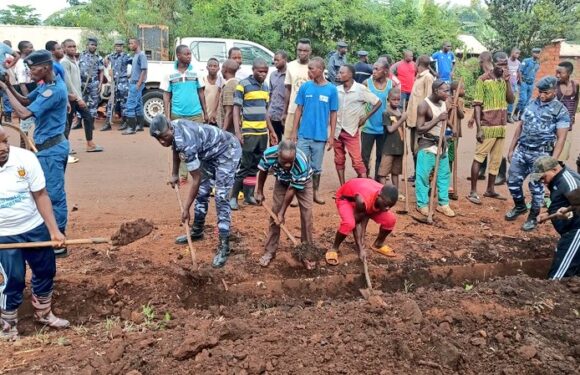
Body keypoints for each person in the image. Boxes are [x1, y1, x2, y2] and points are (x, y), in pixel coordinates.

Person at [0, 126, 69, 340]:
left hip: (33, 226)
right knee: (13, 279)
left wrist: (54, 231)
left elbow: (40, 195)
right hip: (4, 234)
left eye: (5, 141)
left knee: (46, 270)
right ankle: (8, 325)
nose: (3, 148)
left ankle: (43, 313)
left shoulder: (26, 158)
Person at [0, 50, 71, 257]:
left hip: (52, 149)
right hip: (46, 148)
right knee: (45, 190)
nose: (30, 72)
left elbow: (24, 113)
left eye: (33, 68)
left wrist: (4, 89)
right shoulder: (45, 86)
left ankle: (60, 240)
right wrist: (10, 86)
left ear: (46, 68)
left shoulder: (55, 90)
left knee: (53, 194)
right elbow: (24, 101)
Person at [150, 115, 242, 268]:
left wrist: (186, 209)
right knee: (202, 192)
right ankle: (197, 230)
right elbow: (175, 148)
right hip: (209, 153)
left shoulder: (186, 142)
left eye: (164, 137)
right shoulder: (173, 129)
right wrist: (174, 174)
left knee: (220, 197)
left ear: (170, 129)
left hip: (227, 151)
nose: (162, 141)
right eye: (158, 139)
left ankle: (224, 246)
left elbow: (196, 179)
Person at [505, 76, 570, 231]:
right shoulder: (531, 103)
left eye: (546, 93)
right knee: (512, 181)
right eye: (540, 92)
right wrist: (511, 148)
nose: (542, 95)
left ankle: (533, 216)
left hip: (541, 155)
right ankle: (520, 206)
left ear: (554, 91)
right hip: (522, 150)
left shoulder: (560, 110)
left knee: (536, 188)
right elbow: (520, 126)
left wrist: (552, 161)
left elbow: (561, 138)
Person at [254, 140, 314, 269]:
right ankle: (270, 250)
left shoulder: (300, 163)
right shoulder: (269, 154)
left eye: (290, 161)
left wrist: (283, 213)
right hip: (281, 180)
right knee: (275, 214)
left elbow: (292, 189)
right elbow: (263, 171)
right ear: (278, 154)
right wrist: (259, 191)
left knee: (307, 214)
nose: (287, 165)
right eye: (284, 161)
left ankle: (307, 252)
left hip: (303, 182)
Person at [230, 58, 278, 210]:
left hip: (262, 133)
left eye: (265, 72)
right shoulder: (243, 84)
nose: (263, 74)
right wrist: (238, 131)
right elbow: (236, 108)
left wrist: (271, 131)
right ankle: (233, 197)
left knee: (255, 166)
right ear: (253, 70)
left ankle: (249, 195)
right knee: (244, 165)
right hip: (249, 131)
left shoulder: (265, 87)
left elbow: (265, 112)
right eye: (260, 71)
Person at [467, 52, 514, 205]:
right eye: (500, 64)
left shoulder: (503, 80)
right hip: (487, 125)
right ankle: (473, 192)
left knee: (495, 160)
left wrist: (507, 82)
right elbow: (477, 105)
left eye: (505, 64)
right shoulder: (482, 80)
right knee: (479, 157)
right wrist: (479, 128)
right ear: (494, 63)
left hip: (501, 126)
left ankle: (490, 189)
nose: (503, 67)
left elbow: (511, 99)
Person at [291, 57, 338, 205]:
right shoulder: (305, 87)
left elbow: (333, 113)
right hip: (304, 134)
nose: (309, 71)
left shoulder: (331, 89)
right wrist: (294, 132)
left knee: (316, 168)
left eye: (312, 68)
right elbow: (298, 109)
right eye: (309, 68)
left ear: (320, 70)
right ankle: (297, 194)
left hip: (320, 136)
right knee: (299, 164)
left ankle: (315, 192)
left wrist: (331, 136)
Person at [162, 44, 208, 186]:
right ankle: (183, 175)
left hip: (195, 114)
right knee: (180, 145)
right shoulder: (169, 74)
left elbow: (201, 93)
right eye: (186, 54)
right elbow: (166, 95)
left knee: (200, 143)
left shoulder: (196, 73)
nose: (189, 56)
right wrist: (166, 116)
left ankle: (200, 173)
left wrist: (205, 113)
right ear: (178, 56)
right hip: (178, 115)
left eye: (190, 54)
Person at [326, 179, 398, 266]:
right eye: (386, 204)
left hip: (367, 202)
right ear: (379, 196)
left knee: (390, 220)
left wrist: (362, 239)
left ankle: (378, 244)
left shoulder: (384, 196)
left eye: (390, 206)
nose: (387, 208)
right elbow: (358, 222)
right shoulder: (362, 201)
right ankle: (334, 248)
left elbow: (366, 214)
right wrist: (360, 249)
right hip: (346, 200)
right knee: (349, 223)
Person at [533, 156, 580, 279]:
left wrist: (570, 214)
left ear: (554, 170)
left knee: (557, 277)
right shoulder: (557, 180)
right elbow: (566, 202)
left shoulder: (569, 182)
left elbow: (577, 205)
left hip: (576, 233)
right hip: (570, 231)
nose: (542, 181)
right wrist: (549, 213)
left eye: (543, 177)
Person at [334, 64, 381, 185]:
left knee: (357, 161)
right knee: (339, 159)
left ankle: (364, 187)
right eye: (339, 72)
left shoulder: (360, 89)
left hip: (351, 130)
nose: (339, 75)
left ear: (350, 74)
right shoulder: (337, 90)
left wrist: (365, 117)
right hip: (337, 130)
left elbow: (377, 102)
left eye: (342, 73)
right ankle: (342, 186)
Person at [415, 80, 455, 217]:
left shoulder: (443, 102)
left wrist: (451, 127)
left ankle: (443, 204)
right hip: (427, 145)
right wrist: (437, 119)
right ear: (436, 90)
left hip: (442, 144)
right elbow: (419, 129)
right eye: (445, 91)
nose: (447, 94)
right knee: (423, 177)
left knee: (444, 175)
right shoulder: (424, 105)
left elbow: (444, 117)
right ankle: (422, 205)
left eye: (448, 90)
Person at [61, 39, 103, 153]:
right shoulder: (65, 62)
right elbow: (68, 82)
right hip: (71, 98)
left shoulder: (74, 60)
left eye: (74, 46)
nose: (73, 48)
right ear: (64, 48)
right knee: (68, 123)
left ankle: (90, 144)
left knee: (88, 117)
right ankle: (66, 146)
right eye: (69, 47)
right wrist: (79, 99)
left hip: (77, 96)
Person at [362, 59, 394, 180]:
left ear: (385, 71)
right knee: (364, 156)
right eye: (373, 68)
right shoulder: (366, 83)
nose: (373, 71)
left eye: (377, 69)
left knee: (380, 156)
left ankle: (376, 181)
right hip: (368, 127)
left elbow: (393, 105)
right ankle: (364, 179)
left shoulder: (391, 85)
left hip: (384, 128)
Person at [406, 55, 435, 182]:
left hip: (420, 121)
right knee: (414, 148)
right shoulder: (419, 77)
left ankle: (422, 176)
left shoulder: (428, 78)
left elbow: (428, 100)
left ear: (418, 63)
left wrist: (425, 122)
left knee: (420, 149)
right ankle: (417, 174)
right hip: (412, 120)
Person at [378, 88, 406, 199]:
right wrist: (402, 119)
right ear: (388, 99)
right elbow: (390, 129)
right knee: (383, 172)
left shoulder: (400, 112)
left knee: (396, 172)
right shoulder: (386, 113)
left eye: (398, 99)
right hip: (388, 148)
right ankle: (383, 193)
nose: (396, 101)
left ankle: (395, 193)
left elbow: (402, 130)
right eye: (393, 99)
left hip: (399, 147)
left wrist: (403, 118)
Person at [283, 39, 312, 140]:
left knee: (306, 141)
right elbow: (288, 89)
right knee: (288, 141)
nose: (302, 53)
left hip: (309, 111)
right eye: (299, 50)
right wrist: (284, 111)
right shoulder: (290, 66)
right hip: (292, 109)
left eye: (305, 51)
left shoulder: (314, 66)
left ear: (310, 51)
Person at [103, 40, 131, 131]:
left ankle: (125, 122)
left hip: (123, 82)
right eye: (117, 46)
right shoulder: (112, 56)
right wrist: (105, 60)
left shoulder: (126, 56)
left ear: (122, 47)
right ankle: (107, 123)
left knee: (124, 103)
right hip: (114, 83)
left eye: (120, 46)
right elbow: (105, 61)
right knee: (110, 103)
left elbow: (135, 64)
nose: (118, 48)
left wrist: (130, 75)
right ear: (114, 47)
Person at [123, 38, 148, 135]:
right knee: (138, 105)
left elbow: (143, 70)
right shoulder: (136, 55)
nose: (130, 45)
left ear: (137, 44)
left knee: (130, 104)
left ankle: (131, 128)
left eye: (131, 43)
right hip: (134, 82)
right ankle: (140, 126)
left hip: (137, 83)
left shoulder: (141, 55)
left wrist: (138, 83)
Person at [555, 61, 578, 162]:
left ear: (568, 73)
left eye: (560, 73)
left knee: (564, 152)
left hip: (568, 125)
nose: (557, 75)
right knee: (553, 150)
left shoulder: (575, 85)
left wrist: (573, 114)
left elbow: (576, 99)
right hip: (555, 124)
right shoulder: (554, 85)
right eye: (556, 72)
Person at [446, 81, 465, 200]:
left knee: (452, 157)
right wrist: (450, 108)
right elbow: (444, 114)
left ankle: (448, 182)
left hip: (456, 133)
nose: (465, 91)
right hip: (447, 133)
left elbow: (462, 115)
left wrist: (457, 108)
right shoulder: (446, 100)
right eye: (463, 89)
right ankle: (444, 182)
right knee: (446, 156)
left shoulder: (461, 101)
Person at [79, 37, 104, 128]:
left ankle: (91, 124)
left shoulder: (98, 58)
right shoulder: (81, 55)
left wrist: (100, 83)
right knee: (81, 102)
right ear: (87, 45)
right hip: (82, 83)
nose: (94, 47)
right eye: (92, 45)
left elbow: (101, 71)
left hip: (94, 83)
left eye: (95, 45)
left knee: (93, 103)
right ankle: (79, 123)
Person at [13, 41, 37, 139]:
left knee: (33, 118)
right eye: (29, 47)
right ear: (23, 49)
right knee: (26, 119)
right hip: (26, 90)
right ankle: (23, 143)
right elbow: (22, 84)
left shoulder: (27, 61)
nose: (32, 49)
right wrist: (27, 99)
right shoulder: (20, 64)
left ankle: (29, 142)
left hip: (31, 87)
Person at [516, 47, 541, 120]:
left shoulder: (538, 63)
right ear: (532, 53)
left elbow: (534, 73)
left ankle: (521, 115)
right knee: (523, 99)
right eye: (535, 53)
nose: (537, 54)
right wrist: (520, 81)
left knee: (527, 101)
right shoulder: (526, 61)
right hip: (524, 82)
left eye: (538, 53)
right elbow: (520, 71)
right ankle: (515, 112)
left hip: (531, 84)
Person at [268, 50, 288, 142]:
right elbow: (271, 93)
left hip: (285, 114)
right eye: (274, 60)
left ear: (285, 60)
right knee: (274, 141)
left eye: (278, 60)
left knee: (289, 143)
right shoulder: (273, 75)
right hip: (274, 113)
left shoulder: (289, 75)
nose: (275, 62)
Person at [1, 40, 20, 123]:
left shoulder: (3, 46)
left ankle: (7, 117)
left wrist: (8, 66)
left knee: (6, 95)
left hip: (2, 74)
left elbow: (17, 56)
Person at [218, 59, 239, 133]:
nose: (220, 71)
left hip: (230, 129)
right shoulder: (237, 83)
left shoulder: (229, 87)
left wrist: (223, 131)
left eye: (222, 68)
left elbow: (229, 112)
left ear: (225, 70)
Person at [201, 58, 222, 126]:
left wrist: (215, 112)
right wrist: (205, 114)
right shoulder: (203, 80)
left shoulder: (221, 81)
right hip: (205, 116)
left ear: (218, 68)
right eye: (210, 66)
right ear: (207, 68)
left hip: (217, 117)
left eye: (215, 66)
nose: (212, 68)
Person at [507, 48, 521, 123]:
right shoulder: (507, 61)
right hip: (507, 83)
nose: (517, 55)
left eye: (518, 54)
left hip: (514, 83)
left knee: (513, 99)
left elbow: (518, 71)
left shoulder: (518, 63)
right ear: (512, 52)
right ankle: (505, 115)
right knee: (507, 99)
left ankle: (509, 115)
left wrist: (520, 82)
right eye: (516, 53)